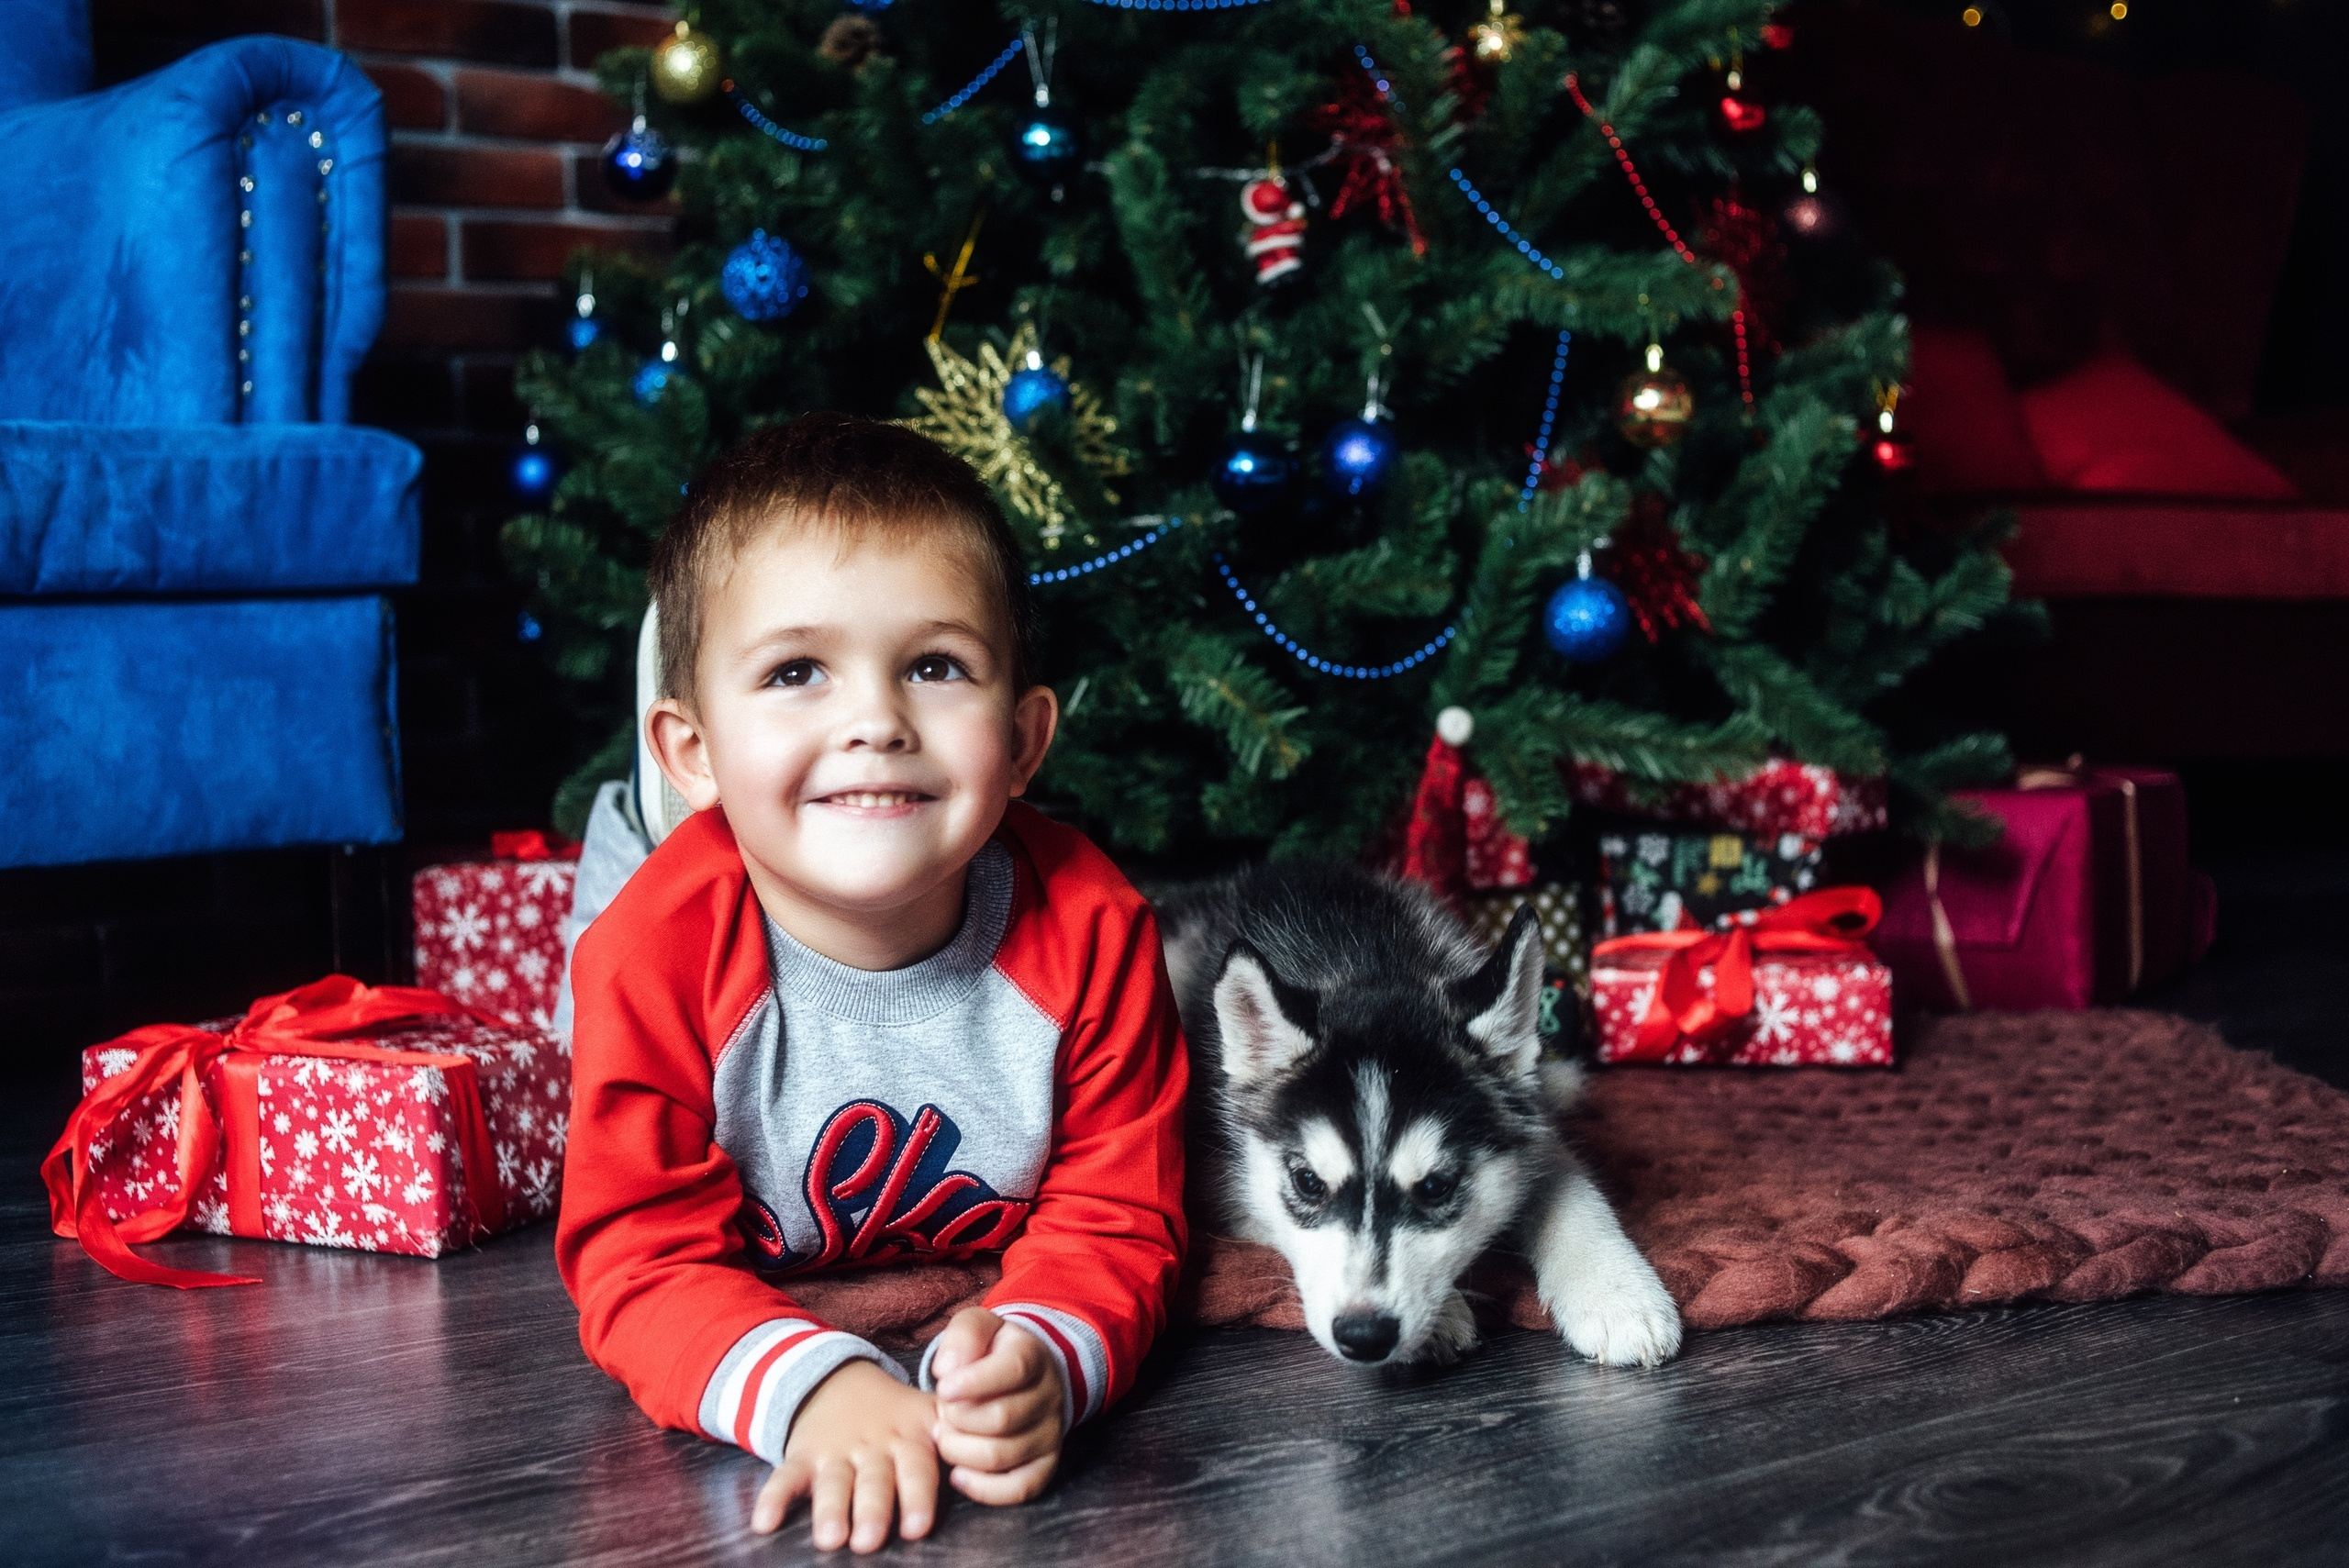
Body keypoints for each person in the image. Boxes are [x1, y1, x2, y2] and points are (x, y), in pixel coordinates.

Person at [556, 414, 1188, 1554]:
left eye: (935, 666)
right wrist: (816, 1384)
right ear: (691, 752)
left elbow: (1120, 1209)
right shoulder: (648, 954)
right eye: (797, 671)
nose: (875, 722)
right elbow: (637, 1254)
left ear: (1025, 737)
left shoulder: (1094, 930)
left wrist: (1042, 1350)